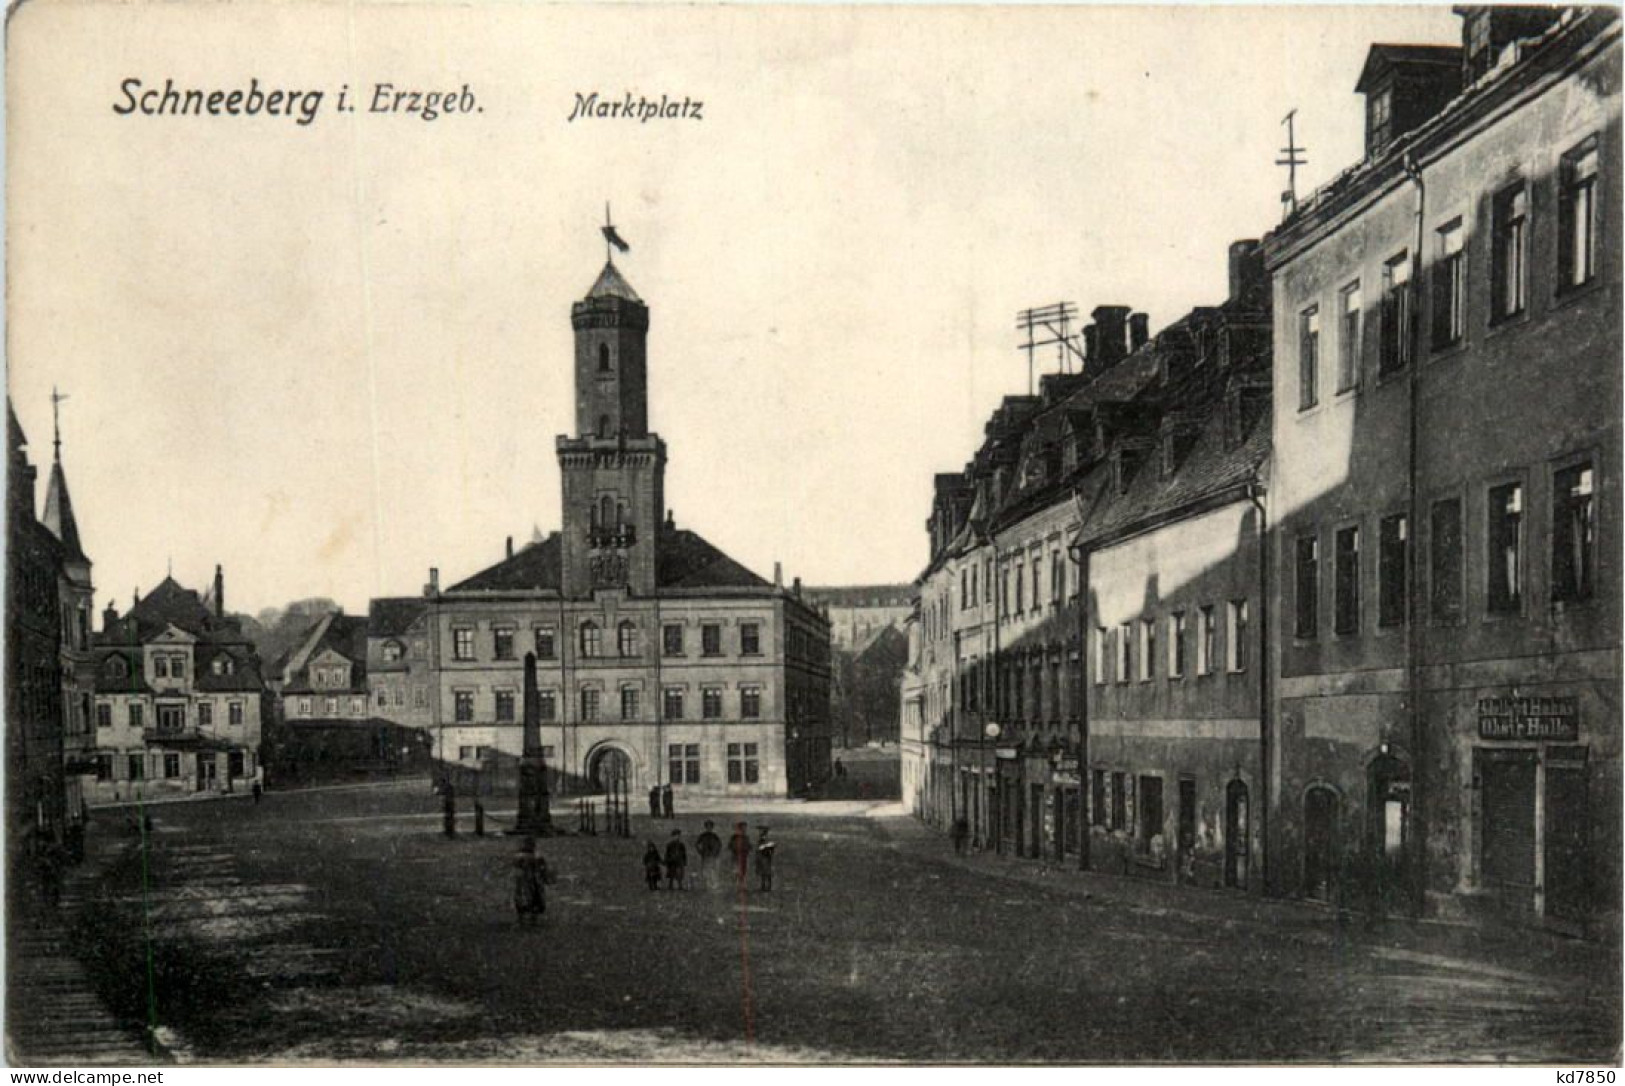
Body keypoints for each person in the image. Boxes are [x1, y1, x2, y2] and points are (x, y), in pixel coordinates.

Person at [512, 836, 549, 925]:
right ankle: (528, 917)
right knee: (530, 898)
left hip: (530, 881)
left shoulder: (521, 856)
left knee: (530, 898)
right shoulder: (536, 857)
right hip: (530, 881)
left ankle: (526, 917)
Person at [695, 820, 722, 888]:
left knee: (713, 869)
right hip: (705, 855)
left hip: (713, 855)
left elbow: (719, 845)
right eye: (707, 827)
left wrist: (717, 852)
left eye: (710, 827)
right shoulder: (702, 836)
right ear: (706, 827)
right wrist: (700, 852)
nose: (709, 828)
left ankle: (714, 884)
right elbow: (697, 844)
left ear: (712, 828)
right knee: (705, 870)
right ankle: (707, 884)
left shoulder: (715, 836)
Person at [728, 821, 751, 886]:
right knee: (736, 870)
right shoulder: (734, 837)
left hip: (744, 857)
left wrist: (747, 849)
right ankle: (735, 884)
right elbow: (730, 846)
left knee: (743, 870)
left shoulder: (746, 837)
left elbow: (749, 846)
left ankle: (742, 884)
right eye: (743, 828)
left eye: (745, 828)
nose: (744, 829)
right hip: (736, 856)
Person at [755, 827, 776, 892]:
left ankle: (767, 886)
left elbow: (769, 848)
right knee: (764, 872)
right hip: (762, 857)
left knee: (767, 872)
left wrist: (769, 850)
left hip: (765, 857)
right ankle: (764, 886)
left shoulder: (765, 840)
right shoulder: (762, 840)